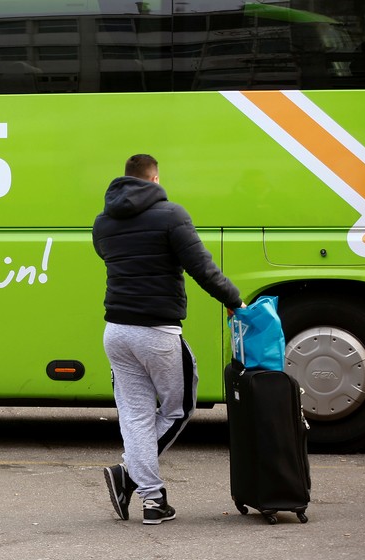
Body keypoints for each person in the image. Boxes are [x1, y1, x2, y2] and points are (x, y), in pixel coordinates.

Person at [92, 154, 244, 525]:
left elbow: (108, 257)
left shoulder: (103, 221)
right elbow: (202, 268)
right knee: (178, 409)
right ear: (155, 178)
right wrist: (235, 301)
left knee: (136, 416)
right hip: (157, 332)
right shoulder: (171, 214)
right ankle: (128, 474)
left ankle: (153, 500)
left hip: (116, 332)